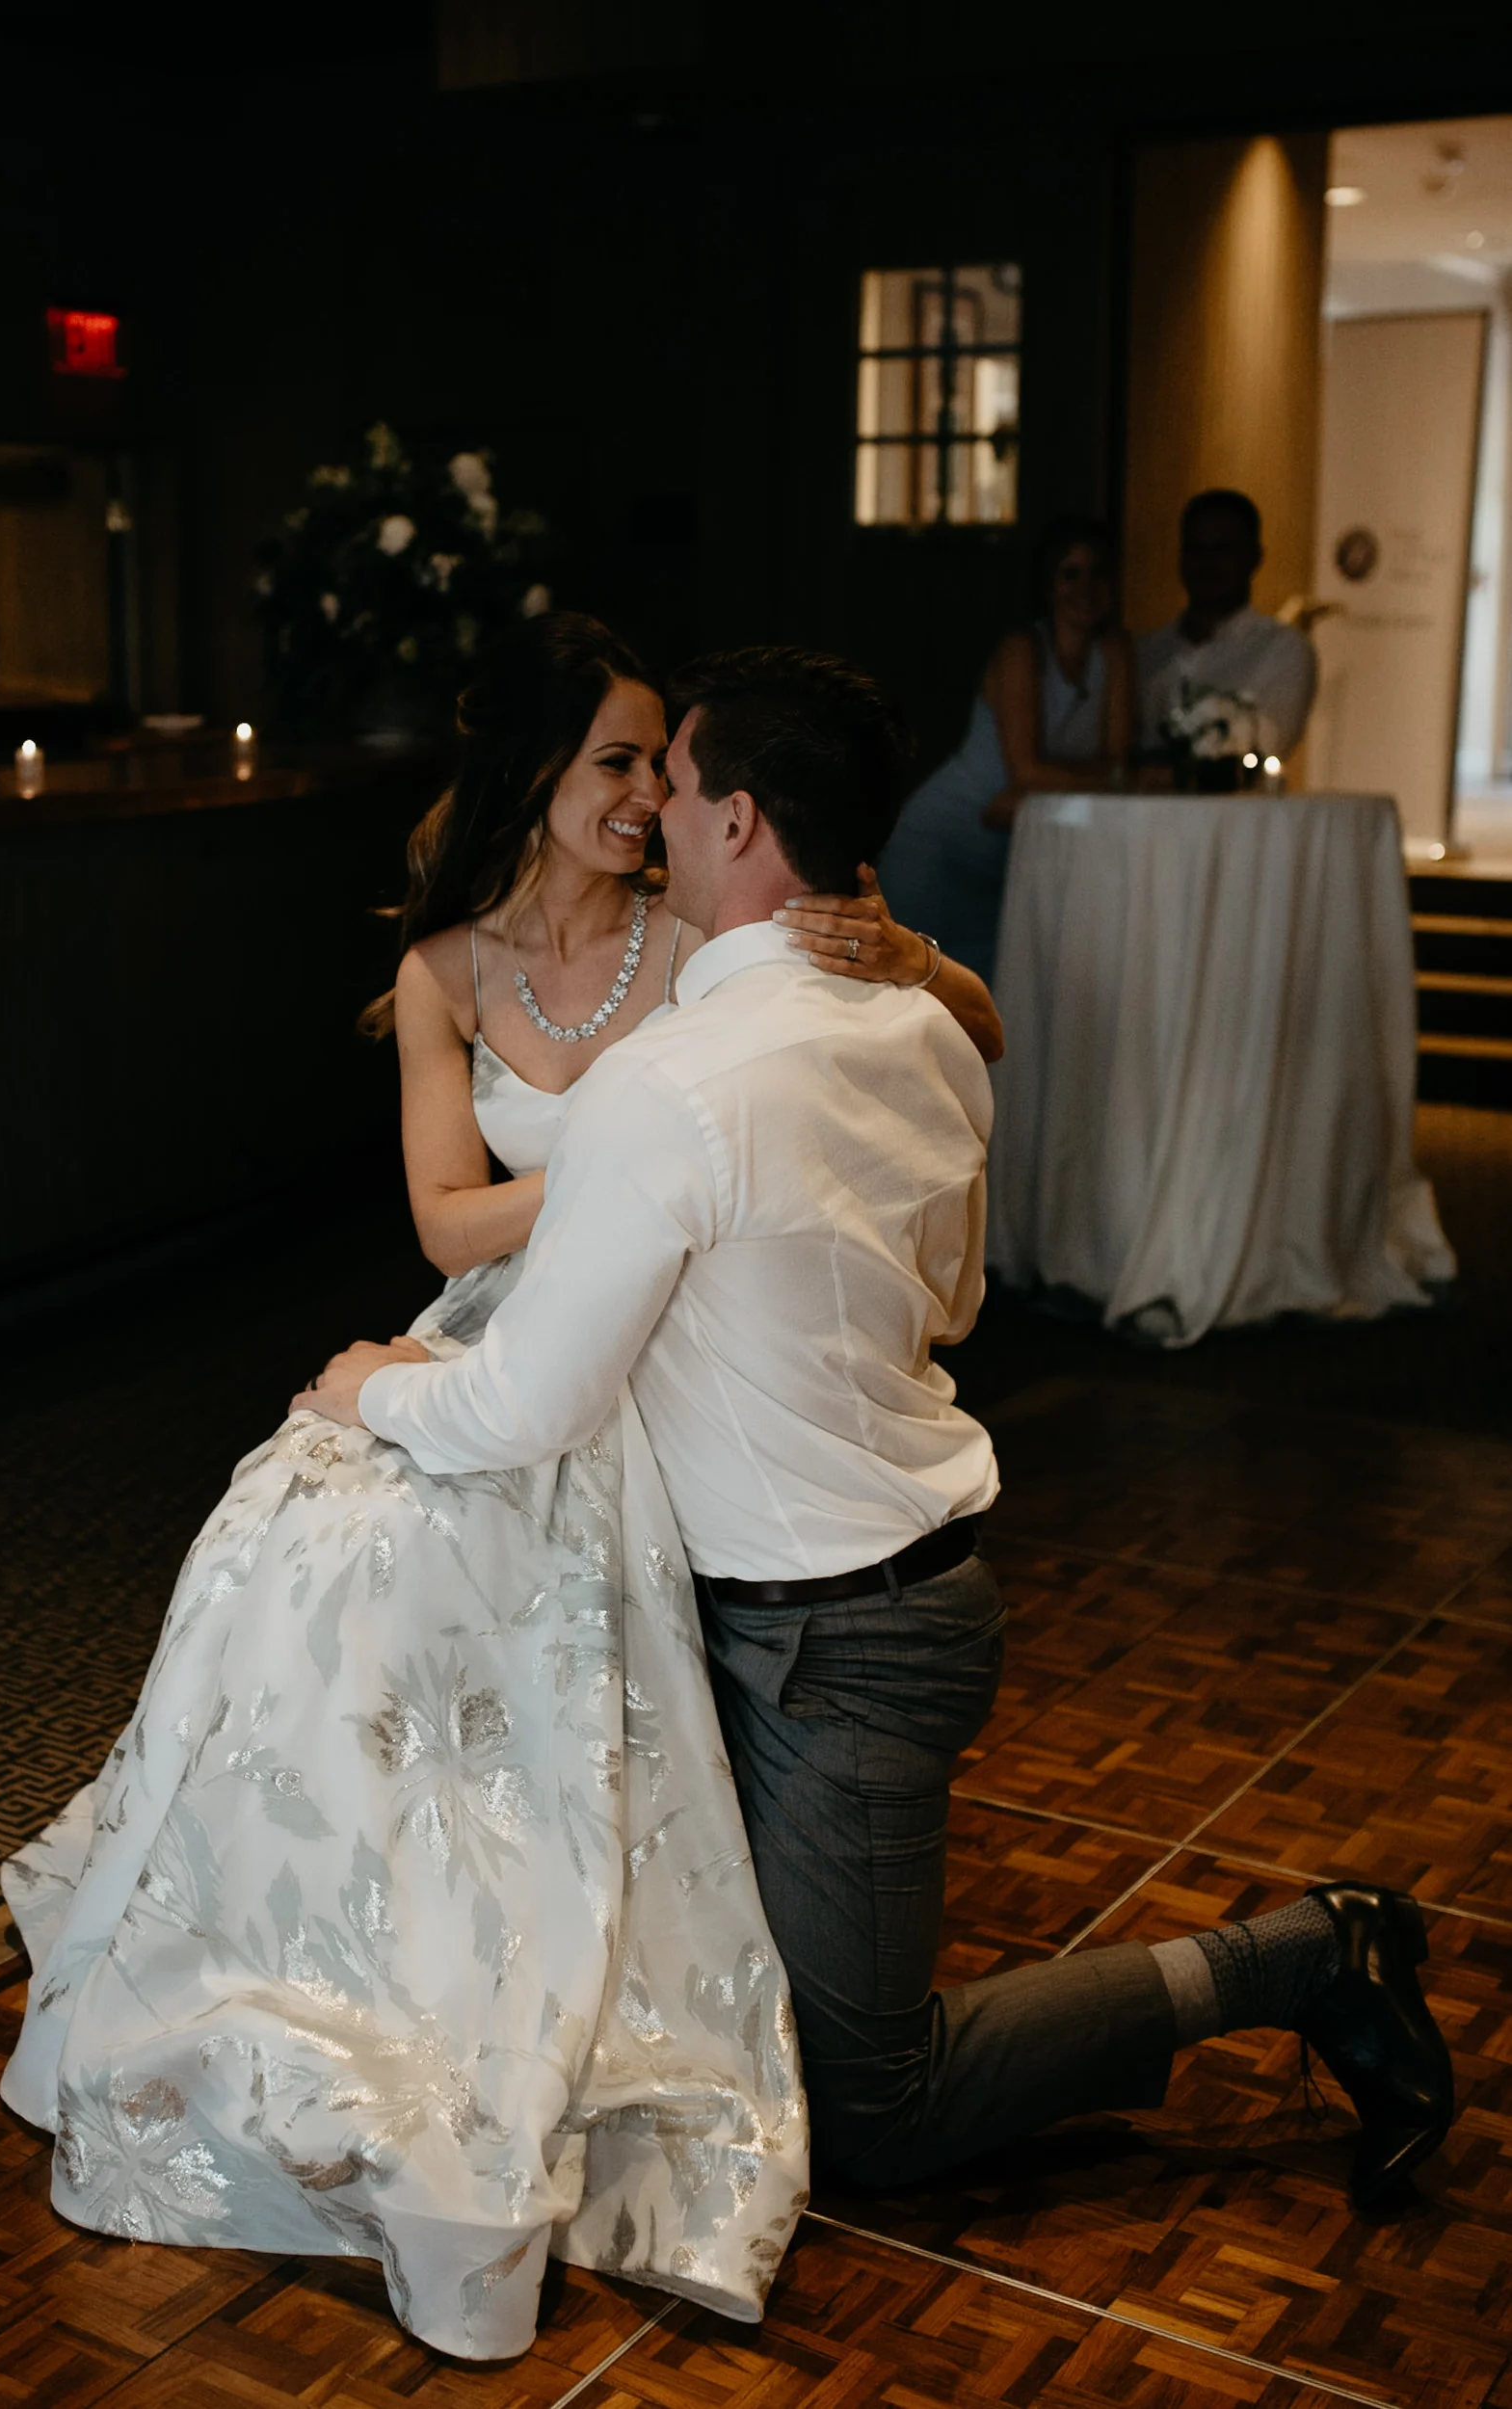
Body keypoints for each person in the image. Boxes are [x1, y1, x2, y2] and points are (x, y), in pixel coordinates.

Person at [310, 643, 1453, 2237]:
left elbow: (521, 1406)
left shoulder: (673, 1087)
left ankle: (1305, 1954)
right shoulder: (922, 1030)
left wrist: (364, 1387)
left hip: (840, 1642)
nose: (656, 808)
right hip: (840, 1584)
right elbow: (957, 1289)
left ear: (734, 825)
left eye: (679, 779)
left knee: (876, 2112)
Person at [0, 614, 999, 2363]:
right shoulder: (450, 967)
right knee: (299, 1547)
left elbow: (932, 1034)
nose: (637, 800)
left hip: (652, 1344)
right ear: (539, 776)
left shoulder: (710, 919)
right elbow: (446, 1223)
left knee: (495, 1551)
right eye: (611, 763)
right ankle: (363, 1971)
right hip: (516, 1319)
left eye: (653, 772)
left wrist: (882, 966)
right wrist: (616, 1186)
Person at [876, 515, 1137, 985]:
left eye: (1098, 572)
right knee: (916, 998)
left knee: (1002, 1006)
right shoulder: (1023, 650)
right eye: (1070, 573)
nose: (1086, 587)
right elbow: (1028, 771)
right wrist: (1109, 780)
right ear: (1049, 584)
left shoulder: (1116, 652)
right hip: (945, 847)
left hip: (1016, 859)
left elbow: (1117, 757)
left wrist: (1080, 779)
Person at [1138, 488, 1317, 759]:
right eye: (1197, 550)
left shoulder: (1282, 650)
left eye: (1222, 550)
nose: (1207, 565)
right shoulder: (1146, 651)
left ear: (1254, 557)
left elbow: (1264, 748)